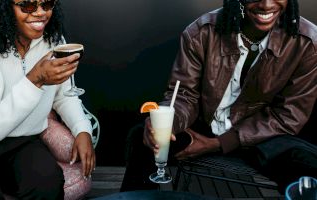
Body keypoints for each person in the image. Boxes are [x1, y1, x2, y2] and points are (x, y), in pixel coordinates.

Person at [121, 0, 317, 193]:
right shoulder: (202, 32)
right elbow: (183, 95)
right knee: (143, 137)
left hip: (261, 136)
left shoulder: (307, 42)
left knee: (306, 163)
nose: (266, 5)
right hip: (203, 128)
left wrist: (220, 143)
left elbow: (289, 115)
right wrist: (170, 124)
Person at [0, 0, 95, 199]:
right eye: (27, 5)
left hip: (24, 142)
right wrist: (35, 80)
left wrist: (82, 129)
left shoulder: (53, 40)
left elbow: (63, 95)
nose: (40, 13)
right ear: (0, 7)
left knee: (48, 182)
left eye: (47, 4)